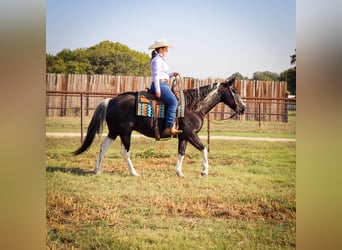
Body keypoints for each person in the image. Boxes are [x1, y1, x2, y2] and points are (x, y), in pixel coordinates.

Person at [148, 39, 183, 137]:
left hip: (163, 84)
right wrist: (158, 90)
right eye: (166, 48)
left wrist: (172, 74)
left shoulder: (160, 59)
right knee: (174, 102)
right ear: (161, 49)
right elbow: (156, 75)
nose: (167, 50)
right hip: (160, 85)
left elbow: (163, 74)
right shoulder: (157, 60)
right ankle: (169, 127)